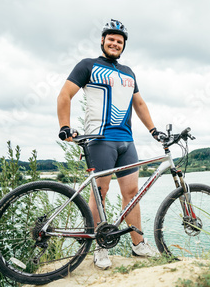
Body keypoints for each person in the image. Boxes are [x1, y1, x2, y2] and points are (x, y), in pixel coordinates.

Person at [57, 19, 163, 269]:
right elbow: (64, 94)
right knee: (100, 195)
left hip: (127, 142)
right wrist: (64, 126)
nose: (115, 43)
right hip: (100, 141)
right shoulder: (88, 66)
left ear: (123, 45)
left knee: (131, 195)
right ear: (103, 41)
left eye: (120, 41)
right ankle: (100, 247)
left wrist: (154, 130)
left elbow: (139, 104)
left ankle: (139, 245)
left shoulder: (128, 72)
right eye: (111, 39)